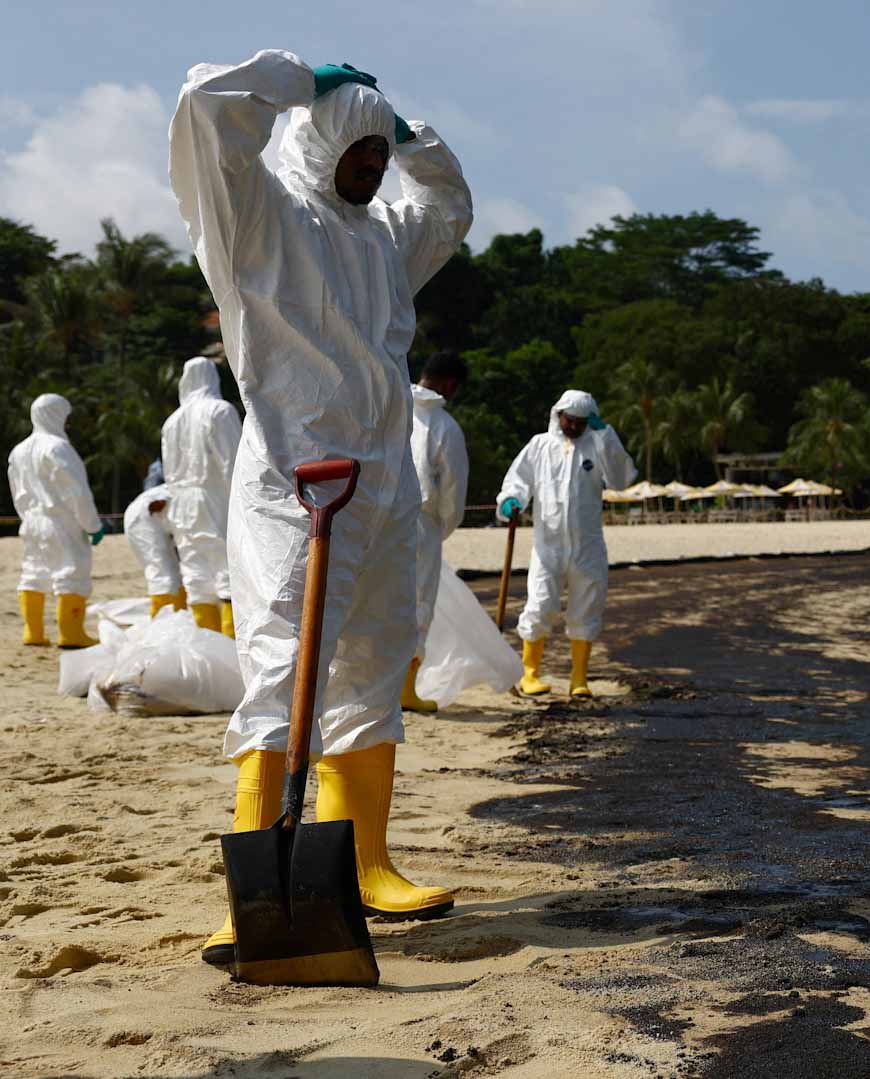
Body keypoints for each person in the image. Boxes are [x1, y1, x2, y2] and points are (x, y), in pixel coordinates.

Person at [171, 49, 473, 966]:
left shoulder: (378, 233)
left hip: (378, 482)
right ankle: (251, 889)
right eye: (363, 152)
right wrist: (300, 82)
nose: (374, 169)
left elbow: (448, 210)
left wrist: (413, 137)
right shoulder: (255, 215)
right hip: (293, 484)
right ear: (322, 141)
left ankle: (365, 861)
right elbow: (205, 109)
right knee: (281, 668)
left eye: (381, 158)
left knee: (377, 662)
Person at [497, 391, 635, 698]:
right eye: (569, 420)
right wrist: (511, 501)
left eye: (580, 423)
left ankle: (579, 678)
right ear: (558, 415)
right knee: (540, 605)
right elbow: (518, 480)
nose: (573, 427)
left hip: (588, 546)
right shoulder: (540, 446)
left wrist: (605, 434)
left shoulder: (598, 447)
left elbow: (622, 478)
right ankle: (530, 674)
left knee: (586, 607)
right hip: (547, 547)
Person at [7, 394, 105, 648]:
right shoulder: (57, 447)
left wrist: (27, 517)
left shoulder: (18, 451)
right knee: (72, 572)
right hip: (61, 522)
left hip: (31, 521)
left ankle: (34, 632)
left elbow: (16, 490)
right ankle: (71, 634)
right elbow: (76, 492)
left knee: (33, 573)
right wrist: (92, 525)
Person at [405, 353, 470, 713]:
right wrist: (441, 528)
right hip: (421, 521)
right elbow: (452, 492)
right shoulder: (444, 427)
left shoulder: (389, 405)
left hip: (376, 516)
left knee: (373, 597)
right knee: (417, 601)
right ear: (450, 385)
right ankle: (404, 690)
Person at [161, 356, 242, 637]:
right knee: (228, 568)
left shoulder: (171, 422)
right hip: (215, 498)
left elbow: (168, 470)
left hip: (180, 501)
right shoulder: (220, 411)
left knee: (195, 571)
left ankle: (206, 645)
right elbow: (233, 463)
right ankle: (231, 644)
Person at [125, 484, 188, 618]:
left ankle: (180, 616)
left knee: (173, 572)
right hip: (145, 517)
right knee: (161, 571)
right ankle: (163, 624)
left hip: (155, 514)